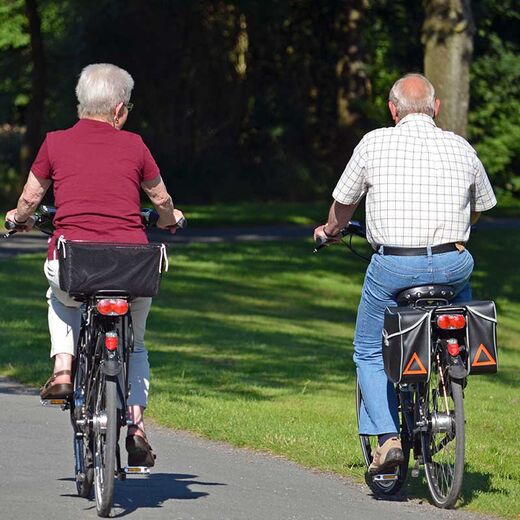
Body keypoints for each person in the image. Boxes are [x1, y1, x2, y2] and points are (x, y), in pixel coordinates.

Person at [313, 73, 496, 475]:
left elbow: (343, 205)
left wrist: (330, 231)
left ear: (393, 110)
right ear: (436, 108)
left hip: (394, 264)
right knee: (461, 292)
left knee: (368, 349)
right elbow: (481, 205)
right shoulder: (461, 147)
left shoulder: (374, 143)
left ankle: (388, 438)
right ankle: (454, 361)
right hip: (452, 261)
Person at [6, 63, 184, 467]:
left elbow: (30, 200)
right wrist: (171, 220)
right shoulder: (136, 145)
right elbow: (161, 201)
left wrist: (16, 220)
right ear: (119, 109)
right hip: (132, 267)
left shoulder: (54, 142)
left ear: (81, 104)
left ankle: (64, 370)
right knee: (135, 342)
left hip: (76, 262)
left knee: (59, 297)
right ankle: (136, 427)